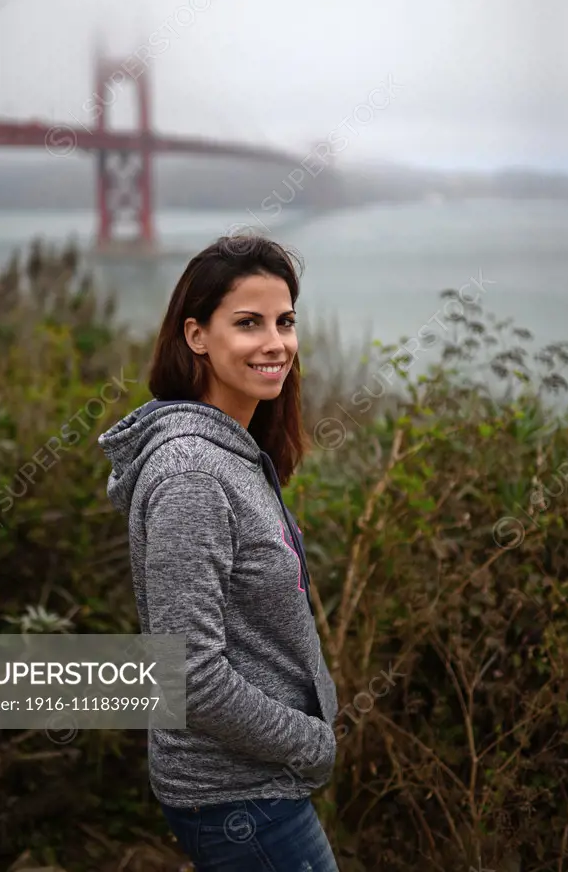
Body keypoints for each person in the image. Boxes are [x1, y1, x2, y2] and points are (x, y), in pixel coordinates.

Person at [98, 234, 340, 871]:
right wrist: (310, 742)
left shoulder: (232, 451)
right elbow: (188, 675)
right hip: (238, 797)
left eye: (285, 321)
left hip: (255, 786)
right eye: (247, 323)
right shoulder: (193, 475)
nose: (276, 343)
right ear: (196, 336)